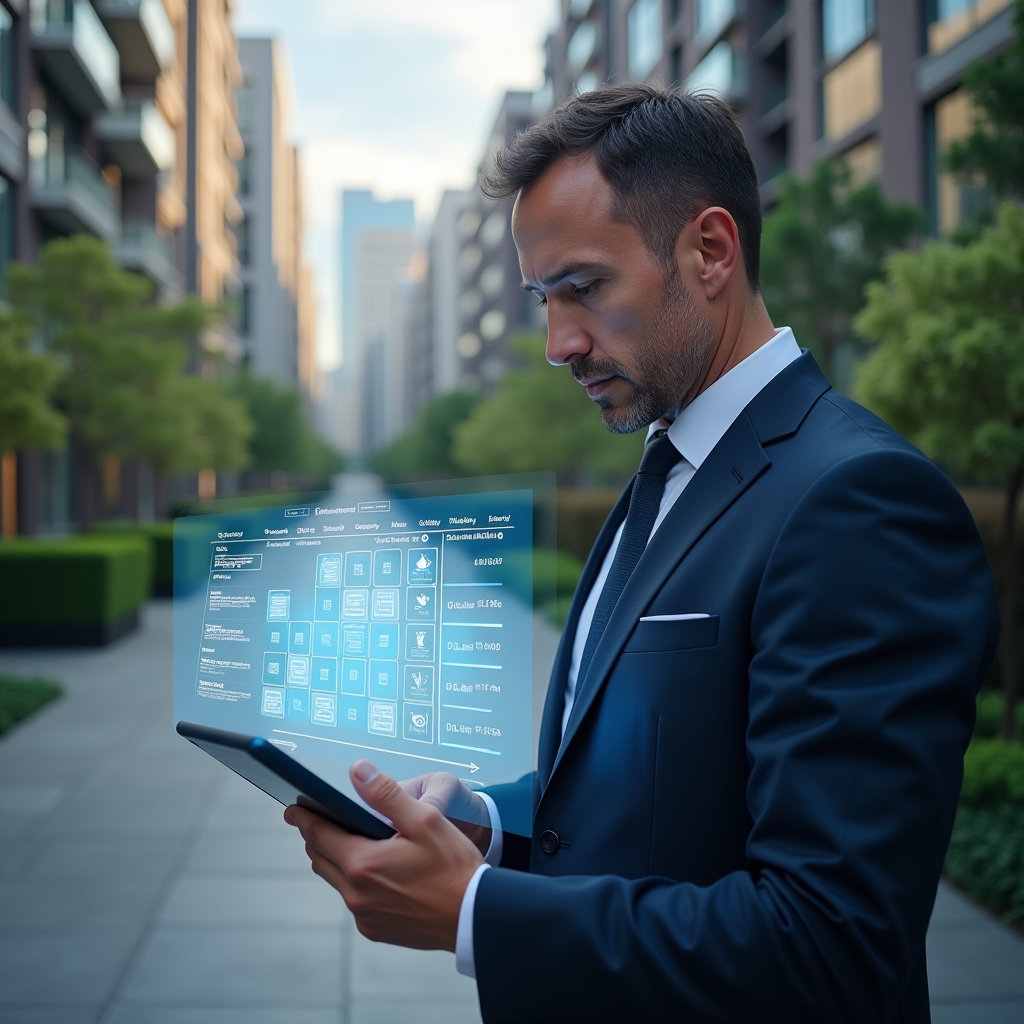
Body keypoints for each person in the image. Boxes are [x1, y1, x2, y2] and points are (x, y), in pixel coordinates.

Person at [284, 85, 999, 1023]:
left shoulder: (860, 501)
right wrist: (484, 825)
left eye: (584, 288)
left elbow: (832, 944)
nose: (558, 343)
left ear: (711, 252)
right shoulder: (672, 467)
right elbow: (653, 786)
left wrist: (475, 912)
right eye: (544, 300)